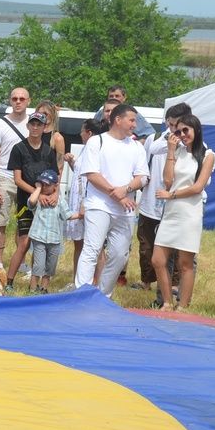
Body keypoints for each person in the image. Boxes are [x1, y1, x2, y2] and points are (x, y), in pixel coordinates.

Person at [73, 103, 149, 296]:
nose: (135, 124)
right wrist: (116, 194)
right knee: (92, 248)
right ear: (118, 119)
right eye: (132, 120)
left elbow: (143, 177)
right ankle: (81, 294)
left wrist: (126, 189)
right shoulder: (97, 142)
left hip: (125, 210)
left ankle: (103, 295)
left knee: (119, 254)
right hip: (99, 205)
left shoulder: (136, 147)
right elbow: (91, 174)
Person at [152, 115, 215, 311]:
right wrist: (171, 151)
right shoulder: (177, 151)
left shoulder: (208, 154)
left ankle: (183, 305)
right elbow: (168, 180)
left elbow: (198, 187)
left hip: (190, 211)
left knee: (185, 262)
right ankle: (166, 301)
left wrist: (171, 196)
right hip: (171, 212)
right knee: (158, 259)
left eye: (186, 130)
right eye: (178, 131)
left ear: (196, 129)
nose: (182, 135)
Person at [134, 102, 193, 292]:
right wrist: (170, 138)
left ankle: (174, 285)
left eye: (177, 125)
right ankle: (146, 281)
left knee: (175, 248)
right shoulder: (156, 138)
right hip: (151, 201)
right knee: (146, 245)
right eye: (170, 123)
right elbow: (150, 153)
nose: (173, 128)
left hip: (176, 202)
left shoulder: (193, 145)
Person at [6, 111, 58, 289]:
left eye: (39, 125)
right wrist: (38, 194)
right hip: (25, 204)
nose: (35, 127)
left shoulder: (49, 152)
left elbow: (55, 178)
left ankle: (36, 284)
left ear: (45, 128)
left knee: (42, 244)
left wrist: (53, 196)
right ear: (28, 126)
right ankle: (9, 281)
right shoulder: (18, 149)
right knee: (24, 242)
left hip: (45, 207)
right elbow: (18, 180)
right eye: (32, 124)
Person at [0, 87, 31, 269]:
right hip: (4, 177)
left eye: (22, 98)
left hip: (27, 180)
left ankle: (21, 262)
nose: (18, 102)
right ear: (10, 101)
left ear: (28, 101)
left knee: (25, 224)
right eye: (14, 98)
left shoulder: (34, 123)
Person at [65, 117, 103, 278]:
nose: (80, 134)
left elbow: (92, 179)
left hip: (88, 201)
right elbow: (81, 174)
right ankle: (77, 280)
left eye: (82, 131)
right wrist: (72, 163)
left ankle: (97, 282)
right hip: (77, 199)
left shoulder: (98, 151)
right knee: (78, 243)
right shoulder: (85, 149)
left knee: (95, 245)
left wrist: (84, 203)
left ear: (89, 133)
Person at [27, 169, 68, 293]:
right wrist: (38, 189)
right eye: (42, 184)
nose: (45, 187)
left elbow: (67, 214)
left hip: (54, 239)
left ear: (55, 186)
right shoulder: (39, 198)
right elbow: (31, 202)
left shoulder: (59, 200)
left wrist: (81, 215)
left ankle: (44, 288)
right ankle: (33, 288)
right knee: (38, 265)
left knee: (50, 266)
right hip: (39, 237)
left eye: (47, 185)